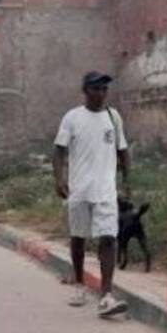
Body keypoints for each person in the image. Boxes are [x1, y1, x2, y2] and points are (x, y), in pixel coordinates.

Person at [53, 72, 130, 319]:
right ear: (85, 90)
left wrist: (126, 182)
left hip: (106, 190)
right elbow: (59, 150)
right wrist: (59, 179)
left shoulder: (113, 117)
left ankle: (106, 295)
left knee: (108, 238)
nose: (101, 94)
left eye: (104, 89)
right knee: (79, 238)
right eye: (96, 89)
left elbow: (123, 150)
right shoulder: (72, 117)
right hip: (79, 190)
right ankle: (79, 284)